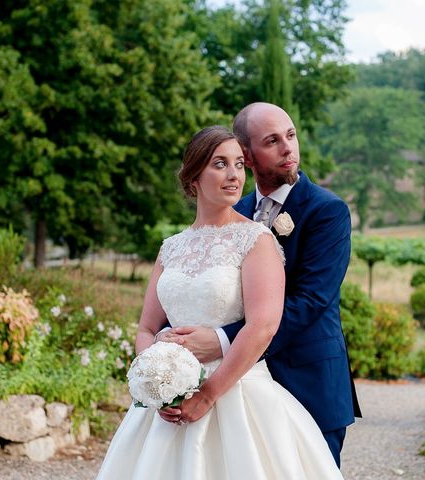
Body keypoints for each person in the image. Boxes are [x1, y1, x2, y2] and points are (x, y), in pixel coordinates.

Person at [96, 126, 343, 479]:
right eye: (220, 164)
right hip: (170, 403)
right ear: (193, 177)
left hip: (237, 396)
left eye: (240, 164)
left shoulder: (256, 240)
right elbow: (147, 327)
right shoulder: (172, 247)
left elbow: (264, 326)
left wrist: (208, 394)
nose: (234, 175)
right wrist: (155, 382)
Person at [159, 103, 361, 467]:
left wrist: (221, 339)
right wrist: (169, 346)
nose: (288, 148)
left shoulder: (326, 211)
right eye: (273, 141)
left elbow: (311, 301)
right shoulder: (234, 208)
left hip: (308, 378)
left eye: (291, 135)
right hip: (232, 385)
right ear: (247, 155)